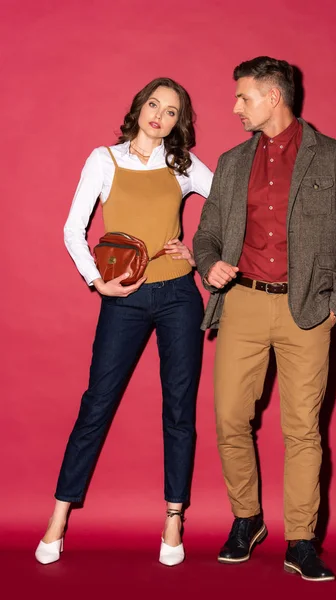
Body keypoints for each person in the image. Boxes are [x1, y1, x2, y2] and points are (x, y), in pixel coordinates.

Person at [193, 56, 336, 581]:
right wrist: (210, 263)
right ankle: (246, 518)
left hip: (308, 310)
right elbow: (206, 235)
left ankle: (301, 539)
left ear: (274, 97)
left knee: (303, 430)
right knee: (230, 418)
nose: (234, 107)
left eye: (242, 97)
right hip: (244, 302)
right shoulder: (230, 163)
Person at [35, 77, 212, 567]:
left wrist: (200, 253)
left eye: (172, 111)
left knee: (179, 409)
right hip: (125, 298)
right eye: (154, 104)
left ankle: (174, 517)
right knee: (97, 404)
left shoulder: (181, 166)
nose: (160, 115)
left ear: (179, 122)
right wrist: (97, 282)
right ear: (139, 108)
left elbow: (226, 204)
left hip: (179, 294)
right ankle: (58, 517)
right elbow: (73, 228)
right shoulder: (104, 159)